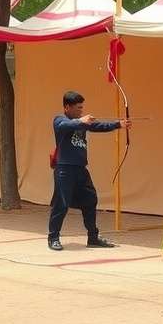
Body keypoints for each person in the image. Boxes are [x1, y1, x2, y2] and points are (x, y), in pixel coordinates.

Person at [48, 91, 131, 251]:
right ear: (67, 107)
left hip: (80, 169)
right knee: (61, 203)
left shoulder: (81, 122)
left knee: (90, 200)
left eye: (81, 108)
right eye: (78, 108)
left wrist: (118, 124)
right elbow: (66, 125)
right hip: (64, 169)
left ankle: (93, 237)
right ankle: (53, 237)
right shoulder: (60, 120)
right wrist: (80, 120)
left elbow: (98, 126)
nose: (81, 110)